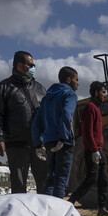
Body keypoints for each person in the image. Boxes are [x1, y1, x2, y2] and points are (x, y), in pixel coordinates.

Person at [0, 51, 48, 194]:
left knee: (44, 183)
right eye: (31, 65)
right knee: (18, 184)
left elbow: (47, 114)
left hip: (39, 144)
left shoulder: (40, 88)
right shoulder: (3, 87)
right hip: (16, 144)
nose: (33, 68)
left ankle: (43, 209)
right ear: (20, 66)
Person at [32, 66, 79, 199]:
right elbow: (66, 115)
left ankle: (47, 206)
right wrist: (63, 138)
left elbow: (37, 121)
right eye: (76, 79)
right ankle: (58, 209)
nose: (78, 83)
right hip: (63, 142)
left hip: (48, 141)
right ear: (68, 80)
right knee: (61, 179)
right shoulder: (70, 94)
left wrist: (37, 143)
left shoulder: (47, 97)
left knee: (51, 178)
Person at [67, 81, 108, 216]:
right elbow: (87, 132)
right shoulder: (90, 108)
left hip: (99, 149)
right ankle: (71, 201)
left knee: (104, 179)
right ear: (96, 92)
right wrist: (93, 150)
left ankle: (102, 208)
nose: (105, 95)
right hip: (93, 150)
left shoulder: (96, 108)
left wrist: (97, 150)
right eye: (103, 92)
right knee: (92, 179)